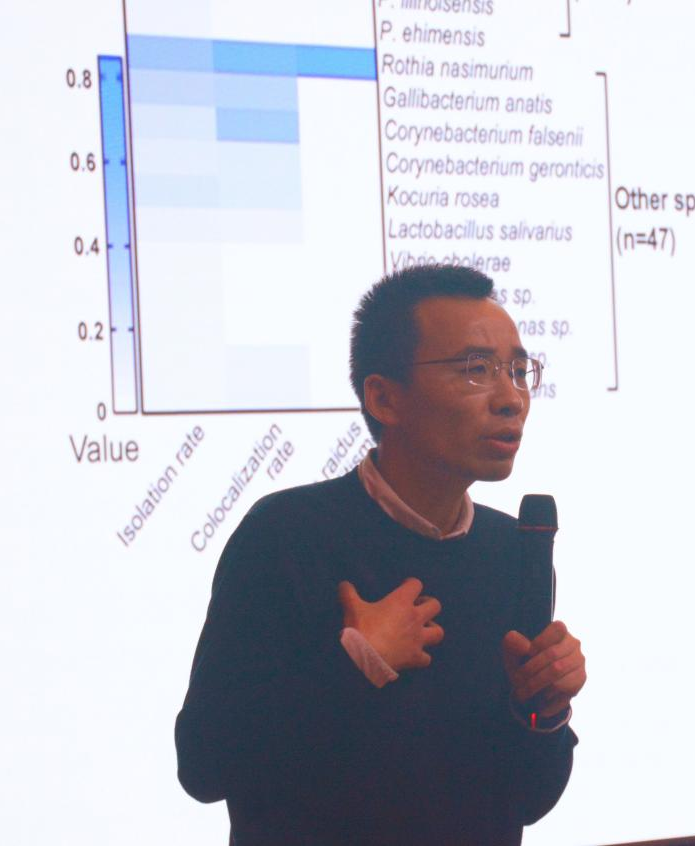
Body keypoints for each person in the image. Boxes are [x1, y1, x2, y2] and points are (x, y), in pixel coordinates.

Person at [175, 265, 586, 845]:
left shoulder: (510, 550)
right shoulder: (287, 535)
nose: (510, 399)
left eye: (518, 372)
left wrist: (542, 711)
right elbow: (203, 764)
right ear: (385, 398)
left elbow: (526, 799)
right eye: (475, 370)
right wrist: (355, 662)